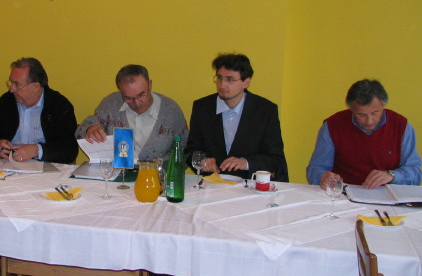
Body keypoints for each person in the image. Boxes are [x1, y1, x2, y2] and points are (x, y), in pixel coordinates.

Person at [185, 53, 288, 181]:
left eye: (230, 79)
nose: (222, 85)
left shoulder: (265, 110)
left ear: (246, 82)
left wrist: (246, 163)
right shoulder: (202, 107)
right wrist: (202, 161)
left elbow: (276, 159)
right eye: (219, 78)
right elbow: (190, 151)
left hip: (250, 184)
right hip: (212, 183)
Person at [307, 79, 421, 189]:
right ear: (351, 109)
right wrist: (322, 177)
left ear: (383, 106)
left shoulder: (401, 126)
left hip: (387, 195)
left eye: (375, 113)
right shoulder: (333, 126)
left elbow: (415, 173)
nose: (369, 121)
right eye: (361, 115)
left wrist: (392, 175)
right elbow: (316, 167)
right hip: (344, 194)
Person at [76, 64, 189, 161]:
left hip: (158, 175)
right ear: (120, 91)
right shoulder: (111, 104)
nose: (137, 103)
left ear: (150, 85)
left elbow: (185, 149)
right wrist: (89, 129)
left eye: (141, 95)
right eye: (128, 98)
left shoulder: (170, 110)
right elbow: (80, 131)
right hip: (117, 173)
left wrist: (164, 163)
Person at [0, 57, 78, 164]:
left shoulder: (59, 105)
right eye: (10, 82)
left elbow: (69, 150)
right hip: (10, 166)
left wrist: (37, 150)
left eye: (17, 84)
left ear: (35, 87)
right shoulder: (6, 102)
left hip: (47, 168)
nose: (11, 89)